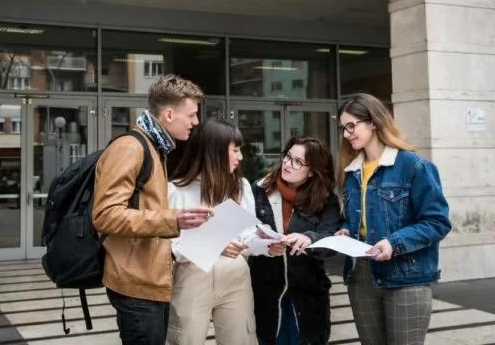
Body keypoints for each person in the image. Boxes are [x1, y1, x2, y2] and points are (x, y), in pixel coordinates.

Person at [92, 74, 214, 345]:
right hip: (136, 285)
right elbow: (105, 215)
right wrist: (173, 219)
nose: (195, 122)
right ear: (169, 114)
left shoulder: (156, 148)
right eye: (192, 115)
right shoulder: (130, 148)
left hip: (151, 282)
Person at [335, 93, 451, 345]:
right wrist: (346, 230)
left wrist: (393, 243)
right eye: (343, 128)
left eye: (352, 125)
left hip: (405, 275)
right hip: (361, 275)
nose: (346, 134)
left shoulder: (414, 166)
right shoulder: (351, 170)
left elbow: (437, 222)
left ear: (373, 122)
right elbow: (358, 218)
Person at [167, 119, 257, 345]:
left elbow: (248, 234)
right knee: (185, 339)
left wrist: (268, 245)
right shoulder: (177, 189)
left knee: (241, 339)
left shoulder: (241, 186)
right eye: (234, 150)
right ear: (214, 151)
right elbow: (169, 247)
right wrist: (214, 242)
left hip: (236, 276)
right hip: (192, 276)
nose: (240, 157)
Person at [249, 137, 341, 345]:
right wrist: (261, 242)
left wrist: (309, 238)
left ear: (312, 170)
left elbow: (330, 239)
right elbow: (245, 233)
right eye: (288, 157)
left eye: (297, 161)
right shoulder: (259, 190)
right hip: (266, 292)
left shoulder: (326, 199)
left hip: (307, 293)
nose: (288, 164)